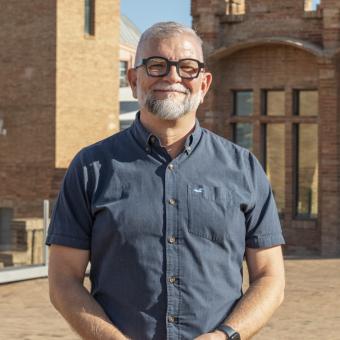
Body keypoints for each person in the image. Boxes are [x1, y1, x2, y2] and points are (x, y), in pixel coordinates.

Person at [47, 22, 285, 340]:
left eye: (187, 67)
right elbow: (64, 280)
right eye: (157, 65)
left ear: (204, 84)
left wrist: (225, 335)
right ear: (133, 80)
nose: (172, 77)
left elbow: (270, 277)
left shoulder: (244, 168)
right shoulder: (91, 168)